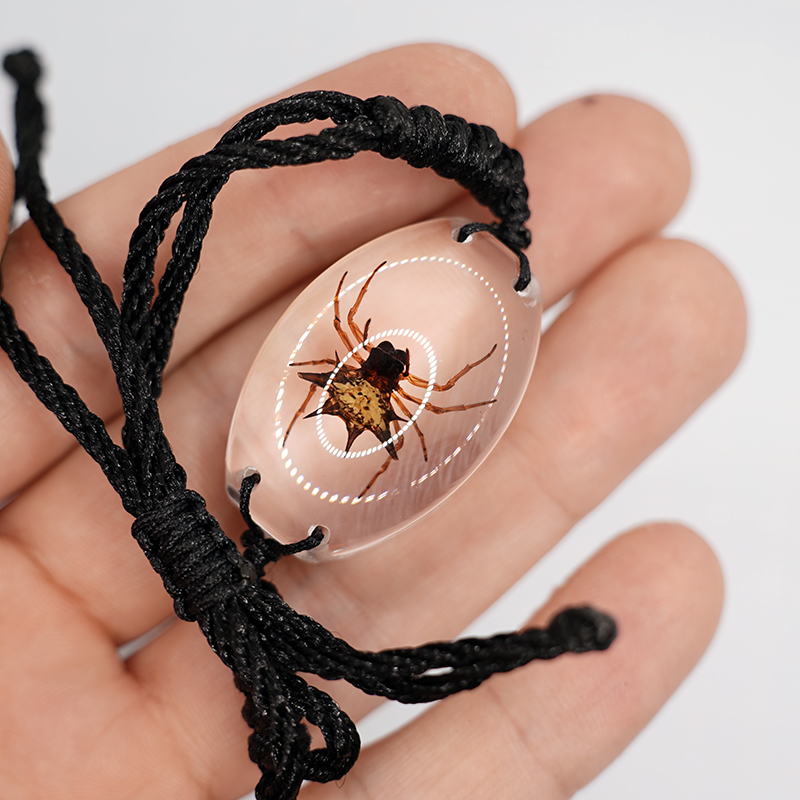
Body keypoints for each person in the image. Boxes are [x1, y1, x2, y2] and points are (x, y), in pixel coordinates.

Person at [0, 43, 745, 798]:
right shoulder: (375, 371)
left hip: (342, 430)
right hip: (342, 431)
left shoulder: (367, 361)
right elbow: (407, 395)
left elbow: (407, 391)